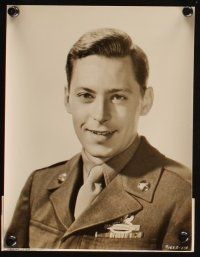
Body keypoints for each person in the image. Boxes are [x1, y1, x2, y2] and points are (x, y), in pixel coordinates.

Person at [5, 28, 192, 250]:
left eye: (118, 97)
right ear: (67, 99)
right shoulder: (40, 184)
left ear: (146, 101)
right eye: (86, 95)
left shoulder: (182, 194)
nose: (101, 115)